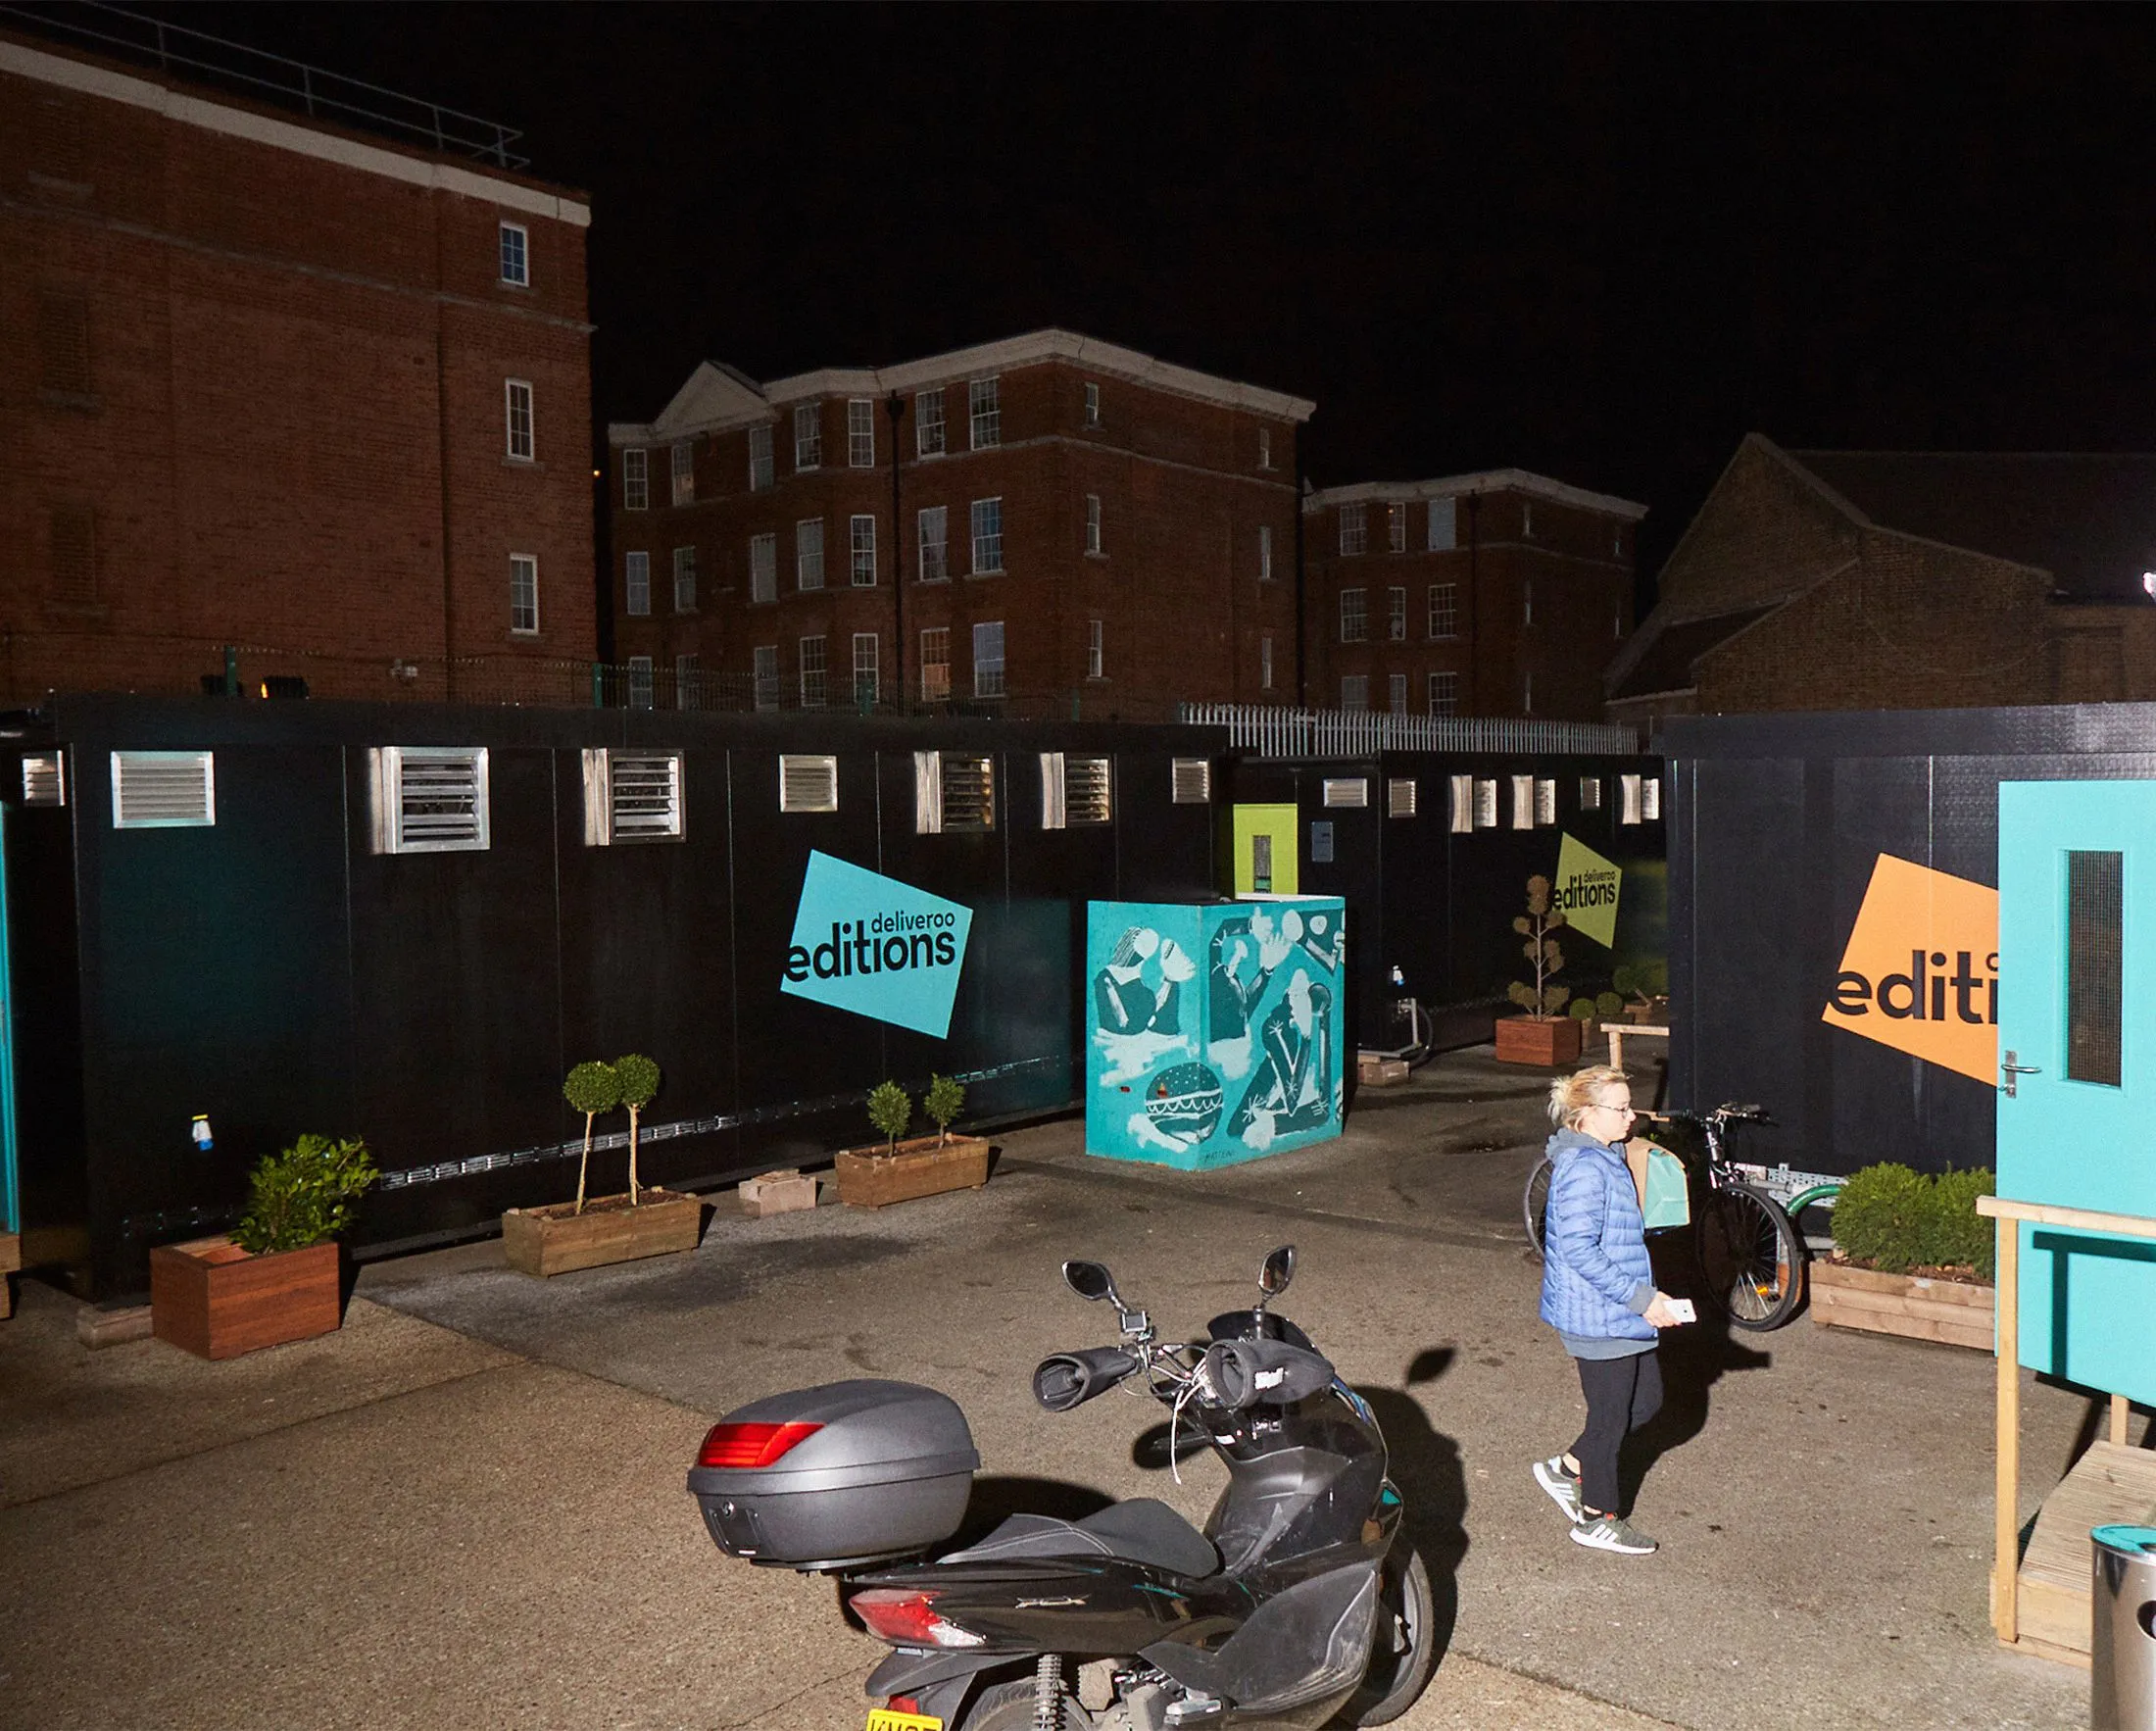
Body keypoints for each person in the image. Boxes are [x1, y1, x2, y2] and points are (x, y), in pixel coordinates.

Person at [1532, 1064, 1686, 1555]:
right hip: (1597, 1312)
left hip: (1618, 1309)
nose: (1630, 1116)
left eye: (1628, 1105)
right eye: (1620, 1109)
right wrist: (1644, 1299)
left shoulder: (1606, 1155)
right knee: (1610, 1418)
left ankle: (1566, 1469)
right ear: (1586, 1114)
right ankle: (1597, 1517)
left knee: (1646, 1402)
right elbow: (1578, 1248)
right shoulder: (1584, 1167)